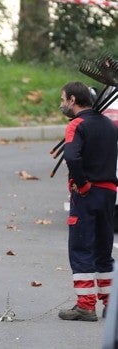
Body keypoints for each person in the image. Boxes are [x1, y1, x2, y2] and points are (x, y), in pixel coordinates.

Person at [58, 81, 117, 322]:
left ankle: (85, 305)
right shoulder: (109, 125)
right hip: (109, 193)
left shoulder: (76, 125)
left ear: (72, 100)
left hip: (87, 193)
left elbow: (71, 156)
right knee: (103, 249)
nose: (61, 103)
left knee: (81, 247)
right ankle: (111, 304)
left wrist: (81, 184)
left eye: (63, 99)